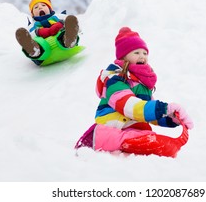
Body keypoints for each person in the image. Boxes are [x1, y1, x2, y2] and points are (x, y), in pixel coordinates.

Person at [75, 27, 193, 157]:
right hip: (113, 128)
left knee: (158, 142)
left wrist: (172, 117)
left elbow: (149, 114)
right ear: (124, 57)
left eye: (145, 53)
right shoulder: (115, 80)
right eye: (136, 53)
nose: (142, 56)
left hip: (133, 129)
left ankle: (137, 140)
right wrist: (163, 107)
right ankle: (97, 137)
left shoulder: (142, 84)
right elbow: (128, 105)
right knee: (151, 141)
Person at [15, 0, 80, 65]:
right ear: (32, 14)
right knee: (37, 41)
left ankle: (69, 40)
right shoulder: (33, 25)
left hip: (63, 43)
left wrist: (61, 24)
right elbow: (30, 35)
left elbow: (75, 26)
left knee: (63, 32)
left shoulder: (58, 17)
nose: (40, 7)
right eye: (36, 7)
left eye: (43, 5)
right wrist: (38, 32)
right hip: (43, 53)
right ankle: (34, 50)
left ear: (50, 9)